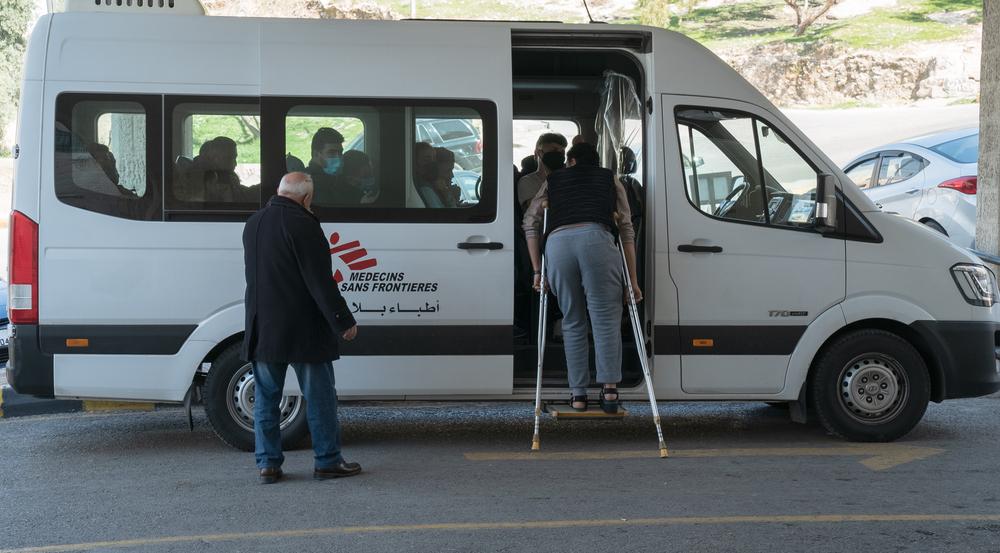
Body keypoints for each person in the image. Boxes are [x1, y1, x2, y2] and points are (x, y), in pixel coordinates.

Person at [242, 172, 361, 484]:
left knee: (266, 398)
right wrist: (343, 320)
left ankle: (268, 465)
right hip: (304, 328)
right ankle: (327, 461)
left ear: (279, 191)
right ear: (307, 198)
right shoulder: (305, 225)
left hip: (264, 325)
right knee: (319, 397)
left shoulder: (253, 224)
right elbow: (320, 281)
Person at [522, 142, 641, 414]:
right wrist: (631, 281)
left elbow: (530, 223)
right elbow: (626, 229)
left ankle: (578, 395)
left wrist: (538, 270)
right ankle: (609, 391)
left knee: (572, 320)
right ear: (596, 163)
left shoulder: (553, 180)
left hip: (558, 245)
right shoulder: (609, 179)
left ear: (571, 162)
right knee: (605, 319)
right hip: (597, 242)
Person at [307, 127, 361, 206]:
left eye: (340, 152)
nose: (338, 157)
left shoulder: (334, 178)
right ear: (316, 154)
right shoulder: (309, 184)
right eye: (332, 153)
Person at [516, 133, 567, 211]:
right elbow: (537, 212)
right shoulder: (527, 181)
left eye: (562, 152)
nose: (559, 155)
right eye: (554, 150)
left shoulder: (566, 178)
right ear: (539, 153)